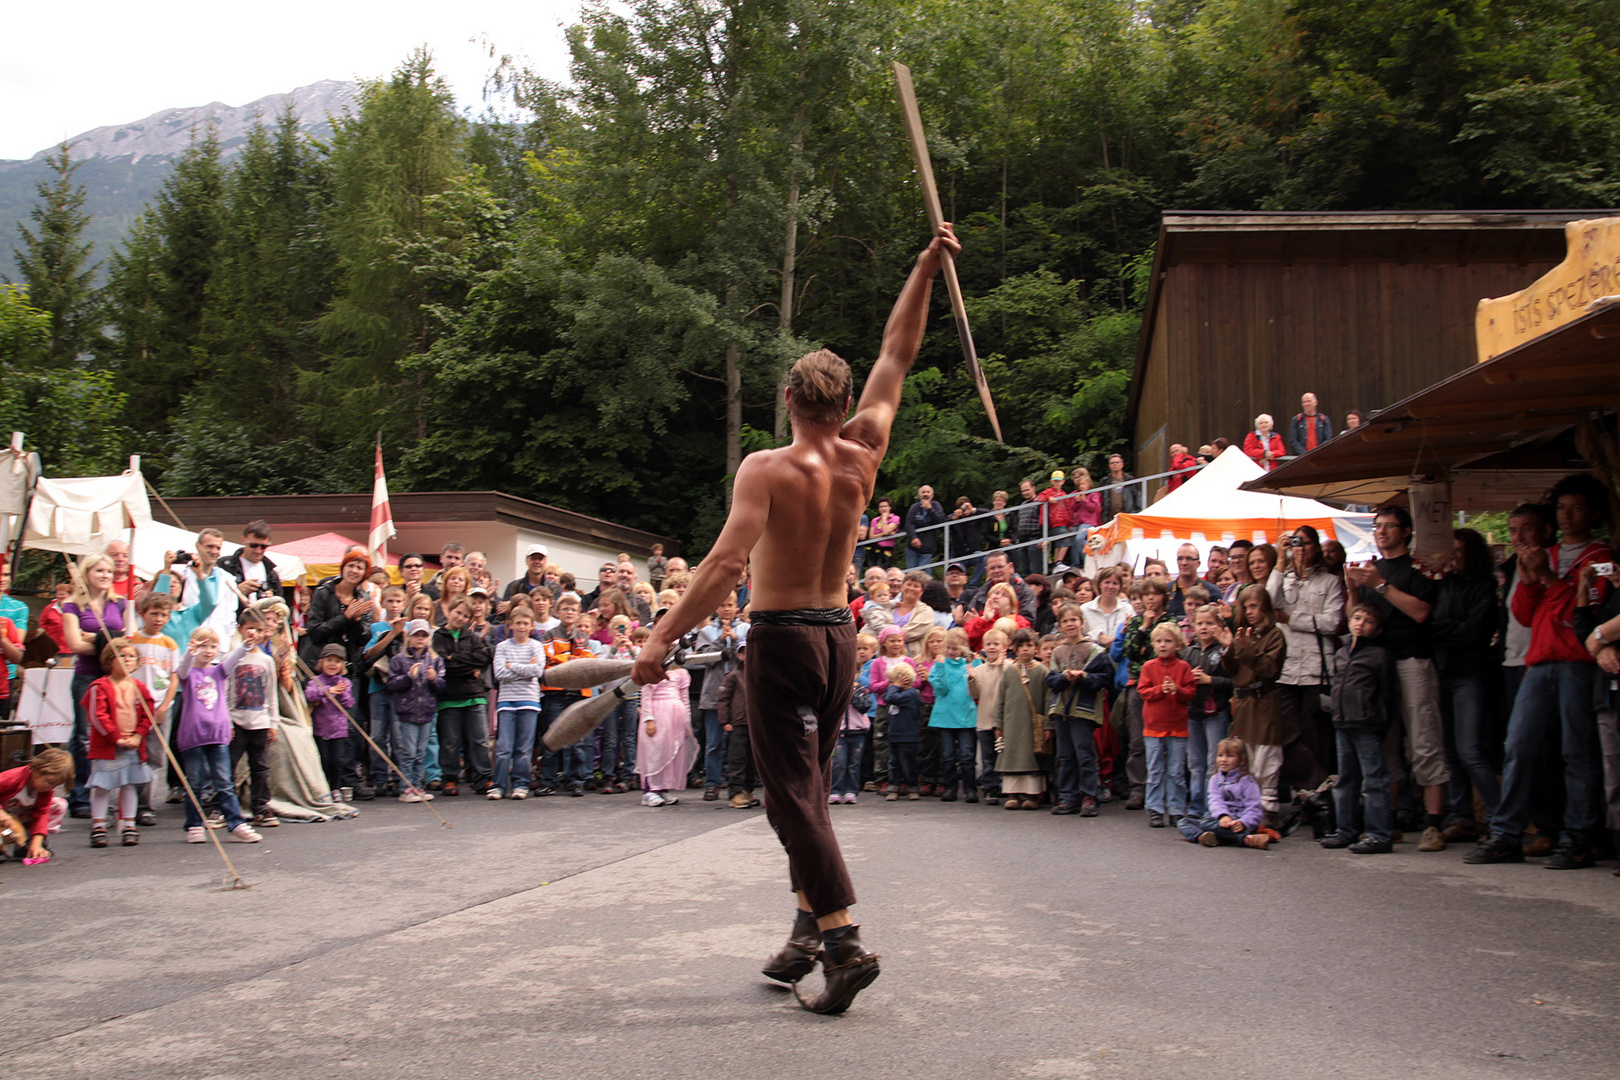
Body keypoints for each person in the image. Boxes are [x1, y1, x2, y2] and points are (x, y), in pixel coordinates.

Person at [630, 224, 960, 1014]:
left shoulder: (766, 468)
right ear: (846, 405)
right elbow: (898, 353)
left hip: (779, 642)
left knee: (793, 800)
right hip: (840, 637)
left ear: (788, 400)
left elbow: (720, 568)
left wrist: (658, 637)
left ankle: (842, 942)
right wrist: (924, 267)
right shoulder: (864, 453)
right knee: (807, 789)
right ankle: (807, 936)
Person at [1468, 475, 1613, 867]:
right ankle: (1507, 834)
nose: (1567, 516)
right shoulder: (1543, 553)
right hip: (1539, 660)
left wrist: (1546, 579)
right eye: (1562, 508)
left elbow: (1584, 616)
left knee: (1576, 751)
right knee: (1518, 746)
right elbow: (1524, 615)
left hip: (1578, 663)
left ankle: (1579, 836)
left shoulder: (1601, 557)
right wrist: (1532, 581)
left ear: (1594, 513)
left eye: (1577, 507)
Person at [1344, 504, 1449, 853]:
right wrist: (1354, 590)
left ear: (1406, 531)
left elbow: (1421, 612)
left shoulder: (1419, 568)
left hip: (1412, 661)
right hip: (1378, 666)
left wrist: (1380, 584)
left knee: (1423, 740)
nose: (1381, 531)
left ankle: (1434, 823)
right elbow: (1354, 620)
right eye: (1377, 526)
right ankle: (1386, 822)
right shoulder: (1374, 569)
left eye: (1389, 526)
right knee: (1384, 745)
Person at [1431, 529, 1500, 843]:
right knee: (1450, 752)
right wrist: (1452, 625)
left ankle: (1499, 818)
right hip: (1443, 670)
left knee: (1470, 749)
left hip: (1470, 672)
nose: (1454, 557)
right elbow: (1430, 626)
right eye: (1451, 551)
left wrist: (1450, 628)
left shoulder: (1483, 585)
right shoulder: (1442, 584)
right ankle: (1462, 817)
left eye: (1459, 551)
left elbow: (1475, 632)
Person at [1319, 604, 1398, 853]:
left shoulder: (1379, 655)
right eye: (1357, 618)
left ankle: (1379, 833)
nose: (1360, 624)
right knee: (1346, 779)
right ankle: (1346, 829)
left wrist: (1378, 719)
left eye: (1368, 621)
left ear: (1377, 629)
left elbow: (1388, 693)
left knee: (1374, 780)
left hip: (1367, 723)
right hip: (1342, 722)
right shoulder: (1342, 653)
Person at [173, 628, 261, 843]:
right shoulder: (187, 674)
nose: (208, 651)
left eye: (212, 646)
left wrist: (246, 644)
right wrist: (189, 653)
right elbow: (182, 670)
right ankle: (194, 824)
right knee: (195, 782)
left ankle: (235, 822)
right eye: (203, 646)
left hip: (217, 735)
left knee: (224, 782)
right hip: (193, 735)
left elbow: (233, 658)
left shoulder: (219, 671)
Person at [1272, 526, 1342, 794]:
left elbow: (1332, 622)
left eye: (1307, 543)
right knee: (1286, 733)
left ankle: (1315, 795)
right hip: (1286, 668)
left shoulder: (1330, 581)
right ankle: (1318, 787)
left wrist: (1292, 619)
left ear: (1316, 548)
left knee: (1314, 735)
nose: (1301, 549)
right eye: (1296, 543)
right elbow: (1268, 601)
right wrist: (1280, 560)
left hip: (1316, 668)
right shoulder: (1284, 578)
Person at [61, 552, 127, 817]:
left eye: (109, 572)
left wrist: (97, 637)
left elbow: (126, 642)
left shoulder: (120, 604)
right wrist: (108, 639)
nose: (105, 576)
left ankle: (103, 793)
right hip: (86, 677)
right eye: (99, 571)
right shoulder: (71, 605)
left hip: (114, 678)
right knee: (83, 736)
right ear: (87, 573)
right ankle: (80, 794)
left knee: (110, 734)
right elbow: (74, 644)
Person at [1220, 584, 1287, 826]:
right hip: (1244, 703)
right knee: (1246, 757)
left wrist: (1246, 650)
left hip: (1264, 703)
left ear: (1265, 608)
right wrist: (1229, 647)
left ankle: (1268, 808)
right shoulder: (1243, 633)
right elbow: (1232, 670)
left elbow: (1268, 668)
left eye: (1254, 606)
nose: (1249, 612)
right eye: (1244, 607)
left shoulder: (1275, 635)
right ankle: (1248, 806)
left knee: (1266, 759)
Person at [1109, 578, 1176, 808]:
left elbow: (1169, 654)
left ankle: (1165, 787)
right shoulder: (1136, 621)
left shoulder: (1170, 621)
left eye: (1155, 594)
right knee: (1138, 739)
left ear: (1163, 597)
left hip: (1166, 686)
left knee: (1167, 738)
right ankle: (1138, 787)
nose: (1149, 598)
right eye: (1146, 594)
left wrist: (1145, 650)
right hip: (1138, 685)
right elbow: (1129, 653)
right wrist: (1144, 628)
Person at [81, 638, 154, 848]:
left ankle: (129, 824)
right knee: (102, 786)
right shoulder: (99, 687)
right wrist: (116, 738)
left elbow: (148, 714)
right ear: (109, 660)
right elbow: (97, 716)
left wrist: (139, 735)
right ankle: (99, 826)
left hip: (133, 745)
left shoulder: (139, 687)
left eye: (131, 656)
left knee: (129, 784)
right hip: (108, 747)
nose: (127, 660)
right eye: (122, 656)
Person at [1047, 604, 1112, 817]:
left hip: (1083, 710)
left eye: (1074, 620)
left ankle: (1089, 795)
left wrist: (1084, 677)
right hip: (1061, 709)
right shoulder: (1058, 651)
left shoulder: (1094, 650)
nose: (1070, 624)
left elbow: (1103, 677)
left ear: (1082, 623)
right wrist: (1063, 677)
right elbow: (1051, 680)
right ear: (1061, 625)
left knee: (1084, 753)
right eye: (1065, 621)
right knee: (1065, 755)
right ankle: (1067, 796)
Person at [127, 591, 180, 828]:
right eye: (154, 614)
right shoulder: (132, 641)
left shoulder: (169, 644)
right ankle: (125, 804)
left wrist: (165, 705)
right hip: (134, 707)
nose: (159, 619)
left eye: (163, 615)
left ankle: (146, 806)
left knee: (155, 757)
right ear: (142, 614)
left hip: (160, 707)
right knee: (130, 755)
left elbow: (174, 678)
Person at [434, 598, 494, 798]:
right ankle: (450, 778)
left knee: (479, 740)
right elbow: (442, 664)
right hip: (449, 697)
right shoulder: (438, 636)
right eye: (458, 613)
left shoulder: (472, 637)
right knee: (450, 741)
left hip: (475, 696)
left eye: (466, 616)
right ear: (450, 611)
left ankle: (482, 777)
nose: (461, 618)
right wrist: (468, 668)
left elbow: (482, 657)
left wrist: (454, 658)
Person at [227, 608, 282, 827]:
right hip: (236, 721)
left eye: (259, 630)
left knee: (261, 767)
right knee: (228, 765)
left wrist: (273, 722)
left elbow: (271, 694)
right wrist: (226, 721)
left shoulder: (266, 661)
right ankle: (223, 807)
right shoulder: (231, 658)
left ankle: (260, 807)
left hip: (260, 722)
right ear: (240, 629)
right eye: (250, 628)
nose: (254, 633)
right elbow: (225, 690)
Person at [1138, 622, 1196, 828]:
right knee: (1154, 769)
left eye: (1168, 641)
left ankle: (1177, 808)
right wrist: (1160, 690)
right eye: (1159, 641)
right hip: (1153, 726)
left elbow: (1191, 693)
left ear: (1178, 645)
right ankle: (1154, 808)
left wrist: (1177, 690)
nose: (1163, 645)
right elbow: (1143, 691)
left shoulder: (1183, 667)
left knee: (1176, 771)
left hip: (1178, 726)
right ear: (1153, 644)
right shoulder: (1148, 667)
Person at [1182, 605, 1233, 820]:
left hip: (1216, 713)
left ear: (1219, 626)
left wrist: (1209, 680)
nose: (1204, 627)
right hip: (1193, 713)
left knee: (1214, 762)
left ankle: (1211, 808)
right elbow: (1179, 681)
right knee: (1195, 763)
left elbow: (1233, 681)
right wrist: (1187, 678)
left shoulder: (1222, 651)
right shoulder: (1189, 651)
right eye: (1200, 623)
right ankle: (1195, 807)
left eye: (1209, 623)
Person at [490, 606, 545, 800]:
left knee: (524, 747)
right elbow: (499, 674)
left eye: (525, 623)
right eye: (518, 623)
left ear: (531, 626)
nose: (521, 627)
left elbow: (537, 671)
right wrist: (525, 668)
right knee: (504, 746)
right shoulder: (502, 647)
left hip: (529, 701)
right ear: (510, 625)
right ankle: (499, 785)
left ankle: (521, 784)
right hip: (507, 702)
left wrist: (512, 666)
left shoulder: (535, 646)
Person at [386, 620, 444, 802]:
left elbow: (442, 685)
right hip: (407, 711)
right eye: (416, 635)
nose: (420, 639)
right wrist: (408, 677)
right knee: (408, 752)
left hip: (427, 711)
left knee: (421, 751)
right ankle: (405, 788)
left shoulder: (435, 660)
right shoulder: (399, 659)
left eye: (423, 635)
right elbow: (392, 684)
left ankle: (418, 785)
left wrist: (435, 679)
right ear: (408, 637)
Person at [1177, 737, 1269, 848]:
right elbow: (1215, 800)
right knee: (1184, 822)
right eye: (1220, 755)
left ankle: (1244, 839)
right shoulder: (1215, 779)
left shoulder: (1248, 781)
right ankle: (1203, 837)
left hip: (1239, 822)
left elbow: (1254, 808)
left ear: (1242, 760)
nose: (1224, 760)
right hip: (1219, 820)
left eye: (1230, 756)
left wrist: (1243, 822)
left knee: (1207, 824)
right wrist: (1223, 816)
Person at [994, 628, 1050, 810]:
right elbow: (1000, 699)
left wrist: (1048, 725)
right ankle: (1013, 795)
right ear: (1015, 649)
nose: (1025, 649)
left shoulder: (1042, 671)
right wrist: (998, 724)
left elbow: (1048, 700)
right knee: (1011, 757)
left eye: (1030, 645)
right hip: (1011, 723)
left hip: (1033, 724)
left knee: (1032, 758)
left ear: (1036, 648)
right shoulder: (1009, 672)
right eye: (1021, 646)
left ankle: (1032, 795)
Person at [161, 529, 238, 644]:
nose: (214, 551)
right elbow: (160, 599)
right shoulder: (180, 573)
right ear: (198, 546)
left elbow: (231, 614)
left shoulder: (228, 579)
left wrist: (227, 637)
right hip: (188, 643)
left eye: (218, 548)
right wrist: (167, 566)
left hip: (218, 646)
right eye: (209, 546)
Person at [637, 659, 693, 807]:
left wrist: (686, 721)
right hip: (658, 713)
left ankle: (663, 787)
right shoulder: (653, 672)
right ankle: (649, 791)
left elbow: (684, 698)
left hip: (675, 715)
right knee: (654, 750)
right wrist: (649, 719)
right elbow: (646, 697)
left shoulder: (681, 673)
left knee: (670, 750)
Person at [0, 748, 73, 862]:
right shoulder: (13, 778)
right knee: (5, 824)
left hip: (16, 820)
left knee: (58, 805)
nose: (50, 788)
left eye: (54, 786)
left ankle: (26, 844)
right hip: (4, 819)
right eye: (48, 783)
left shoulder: (45, 790)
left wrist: (36, 843)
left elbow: (41, 814)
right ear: (37, 770)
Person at [304, 644, 356, 804]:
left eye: (337, 661)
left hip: (338, 730)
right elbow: (309, 695)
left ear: (342, 665)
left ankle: (336, 788)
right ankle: (323, 788)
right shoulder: (315, 681)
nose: (332, 664)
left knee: (337, 761)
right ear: (321, 662)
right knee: (323, 760)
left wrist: (340, 694)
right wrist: (328, 690)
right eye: (329, 660)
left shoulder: (345, 682)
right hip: (320, 729)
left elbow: (349, 703)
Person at [832, 634, 878, 805]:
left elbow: (864, 706)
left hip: (858, 730)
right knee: (839, 763)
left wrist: (853, 691)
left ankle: (851, 790)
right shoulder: (836, 688)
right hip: (840, 731)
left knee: (854, 763)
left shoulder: (861, 688)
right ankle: (835, 790)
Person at [718, 641, 759, 808]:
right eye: (745, 652)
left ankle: (748, 790)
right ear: (739, 655)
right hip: (739, 722)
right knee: (737, 758)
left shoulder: (761, 674)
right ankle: (735, 792)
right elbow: (723, 699)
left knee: (752, 760)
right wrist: (725, 720)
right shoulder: (734, 675)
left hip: (756, 723)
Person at [217, 521, 288, 605]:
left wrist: (272, 601)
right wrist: (237, 591)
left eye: (263, 546)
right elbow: (212, 598)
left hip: (261, 616)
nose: (258, 550)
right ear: (243, 540)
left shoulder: (271, 573)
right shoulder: (226, 566)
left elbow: (280, 606)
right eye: (253, 545)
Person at [882, 662, 923, 800]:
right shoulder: (898, 692)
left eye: (892, 680)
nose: (890, 684)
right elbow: (886, 696)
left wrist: (895, 686)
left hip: (908, 736)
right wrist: (894, 687)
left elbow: (889, 697)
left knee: (908, 763)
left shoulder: (910, 694)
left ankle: (912, 786)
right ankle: (894, 786)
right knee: (894, 763)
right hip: (895, 735)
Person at [1169, 543, 1219, 619]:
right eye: (1180, 559)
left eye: (1189, 559)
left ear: (1198, 563)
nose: (1184, 563)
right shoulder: (1166, 591)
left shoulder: (1212, 592)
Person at [1037, 471, 1075, 567]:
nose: (1057, 483)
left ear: (1063, 482)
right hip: (1056, 521)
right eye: (1055, 481)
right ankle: (1059, 562)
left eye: (1059, 481)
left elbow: (1069, 509)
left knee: (1060, 543)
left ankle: (1057, 564)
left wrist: (1070, 524)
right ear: (1051, 482)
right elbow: (1038, 498)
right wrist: (1048, 498)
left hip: (1064, 522)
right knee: (1066, 542)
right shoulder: (1049, 492)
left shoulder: (1064, 494)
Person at [904, 485, 946, 570]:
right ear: (919, 495)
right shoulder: (914, 507)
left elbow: (941, 521)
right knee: (911, 572)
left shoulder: (936, 505)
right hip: (913, 546)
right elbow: (908, 523)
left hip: (928, 546)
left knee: (923, 572)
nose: (925, 494)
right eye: (923, 492)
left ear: (932, 495)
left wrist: (930, 509)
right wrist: (913, 537)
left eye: (928, 492)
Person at [1289, 392, 1333, 457]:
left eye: (1309, 401)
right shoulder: (1296, 420)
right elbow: (1293, 440)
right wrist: (1304, 454)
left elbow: (1328, 438)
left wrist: (1318, 452)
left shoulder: (1324, 419)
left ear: (1316, 402)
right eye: (1304, 402)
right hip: (1302, 457)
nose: (1306, 404)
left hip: (1320, 456)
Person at [1102, 454, 1141, 518]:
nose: (1115, 464)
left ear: (1122, 464)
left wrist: (1138, 512)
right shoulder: (1105, 481)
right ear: (1109, 466)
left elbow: (1137, 497)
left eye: (1117, 462)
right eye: (1112, 463)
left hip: (1127, 516)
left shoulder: (1130, 480)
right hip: (1109, 518)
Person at [867, 498, 901, 569]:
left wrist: (884, 519)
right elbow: (871, 536)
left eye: (885, 506)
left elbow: (886, 531)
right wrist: (884, 534)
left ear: (890, 507)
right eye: (881, 507)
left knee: (881, 571)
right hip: (873, 549)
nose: (883, 508)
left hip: (885, 550)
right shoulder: (875, 520)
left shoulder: (895, 518)